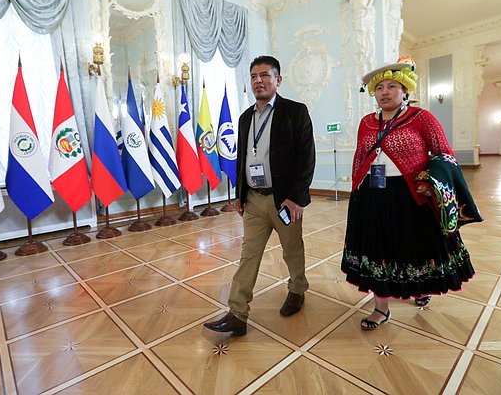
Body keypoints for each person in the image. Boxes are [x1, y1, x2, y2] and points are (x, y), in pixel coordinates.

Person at [341, 56, 477, 330]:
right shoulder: (367, 122)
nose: (385, 92)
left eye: (392, 86)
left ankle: (419, 287)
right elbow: (360, 157)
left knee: (412, 246)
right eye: (380, 88)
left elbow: (444, 155)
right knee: (378, 248)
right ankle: (381, 307)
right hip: (372, 194)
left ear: (405, 90)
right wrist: (356, 190)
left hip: (411, 194)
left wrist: (430, 181)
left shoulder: (422, 118)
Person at [204, 56, 316, 336]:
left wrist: (296, 197)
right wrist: (239, 194)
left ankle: (297, 289)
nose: (258, 81)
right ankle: (237, 314)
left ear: (278, 80)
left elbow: (307, 158)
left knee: (292, 250)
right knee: (248, 256)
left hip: (284, 201)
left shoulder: (295, 112)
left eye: (265, 75)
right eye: (254, 76)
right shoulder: (245, 118)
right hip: (253, 200)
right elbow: (242, 157)